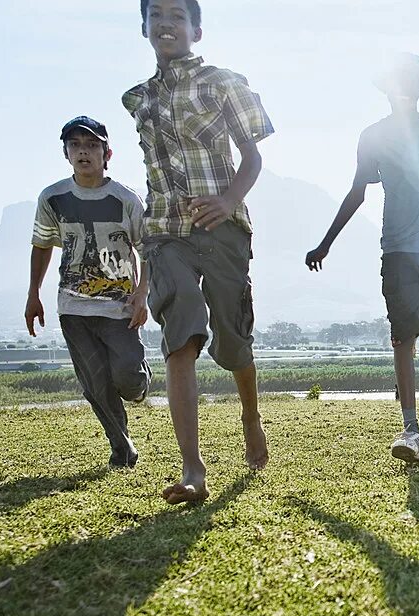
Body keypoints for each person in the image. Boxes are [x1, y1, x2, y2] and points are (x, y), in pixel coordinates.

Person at [124, 0, 274, 503]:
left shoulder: (221, 83)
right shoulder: (138, 100)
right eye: (156, 15)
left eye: (177, 15)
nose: (166, 23)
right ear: (145, 27)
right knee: (182, 329)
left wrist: (229, 200)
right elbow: (152, 177)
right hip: (165, 232)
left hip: (223, 228)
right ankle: (194, 469)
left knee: (233, 343)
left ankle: (250, 416)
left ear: (197, 29)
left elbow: (252, 156)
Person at [306, 53, 419, 463]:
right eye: (395, 81)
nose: (402, 88)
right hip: (398, 249)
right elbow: (357, 190)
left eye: (410, 82)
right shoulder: (373, 136)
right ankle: (410, 429)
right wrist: (326, 242)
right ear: (386, 88)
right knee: (403, 335)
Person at [27, 116, 151, 469]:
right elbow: (41, 245)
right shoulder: (53, 198)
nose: (84, 151)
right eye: (76, 145)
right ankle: (122, 449)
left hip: (119, 308)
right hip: (73, 308)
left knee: (126, 378)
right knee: (95, 384)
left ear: (106, 153)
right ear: (66, 153)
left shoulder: (126, 199)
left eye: (92, 144)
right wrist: (33, 293)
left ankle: (140, 383)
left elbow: (148, 249)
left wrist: (142, 294)